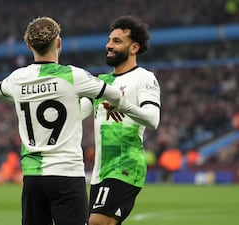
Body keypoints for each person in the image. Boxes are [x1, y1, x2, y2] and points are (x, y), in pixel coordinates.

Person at [0, 16, 133, 225]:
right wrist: (112, 104)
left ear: (29, 45)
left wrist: (22, 95)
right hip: (66, 175)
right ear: (58, 43)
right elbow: (114, 95)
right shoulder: (73, 76)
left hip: (32, 177)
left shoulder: (17, 78)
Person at [81, 15, 161, 225]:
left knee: (97, 222)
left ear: (134, 47)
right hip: (100, 170)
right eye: (109, 40)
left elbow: (153, 119)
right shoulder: (101, 82)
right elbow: (78, 113)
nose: (109, 45)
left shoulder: (144, 77)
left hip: (126, 165)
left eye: (117, 41)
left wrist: (123, 104)